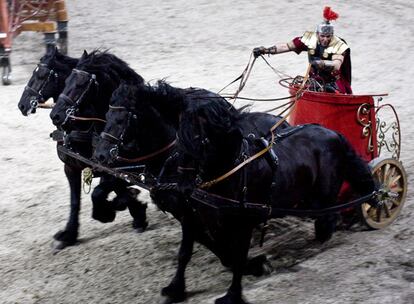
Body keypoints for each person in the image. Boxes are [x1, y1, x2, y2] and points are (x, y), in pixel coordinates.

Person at [253, 7, 352, 94]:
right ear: (317, 34)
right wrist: (265, 50)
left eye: (328, 36)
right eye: (322, 36)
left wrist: (321, 63)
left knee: (332, 90)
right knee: (301, 88)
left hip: (335, 84)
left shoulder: (339, 44)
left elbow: (336, 64)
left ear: (332, 35)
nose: (325, 39)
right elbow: (287, 46)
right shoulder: (309, 39)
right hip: (315, 81)